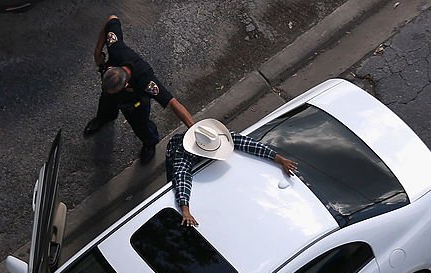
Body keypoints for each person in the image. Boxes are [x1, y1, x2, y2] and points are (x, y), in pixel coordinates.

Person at [83, 15, 195, 164]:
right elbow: (112, 19)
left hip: (134, 102)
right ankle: (105, 117)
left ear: (126, 85)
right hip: (111, 92)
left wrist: (194, 129)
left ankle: (149, 143)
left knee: (140, 125)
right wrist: (97, 52)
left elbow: (173, 103)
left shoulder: (146, 81)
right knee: (106, 102)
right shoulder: (117, 50)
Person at [166, 118, 298, 227]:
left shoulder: (217, 136)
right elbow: (181, 177)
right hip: (175, 158)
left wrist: (279, 159)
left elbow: (248, 144)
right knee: (172, 179)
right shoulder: (182, 154)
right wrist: (185, 210)